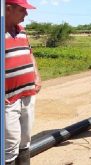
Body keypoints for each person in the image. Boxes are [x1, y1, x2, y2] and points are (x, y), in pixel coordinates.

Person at [5, 0, 41, 164]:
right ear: (8, 9)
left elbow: (29, 53)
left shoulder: (22, 31)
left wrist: (36, 75)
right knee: (9, 144)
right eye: (22, 10)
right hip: (8, 100)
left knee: (25, 139)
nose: (26, 14)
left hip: (27, 94)